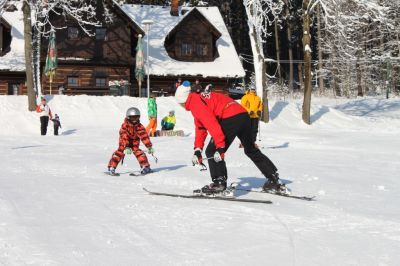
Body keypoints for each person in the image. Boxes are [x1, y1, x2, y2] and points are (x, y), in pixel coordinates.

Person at [175, 82, 284, 195]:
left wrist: (220, 147)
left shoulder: (195, 103)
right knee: (250, 149)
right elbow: (201, 127)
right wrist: (198, 149)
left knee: (212, 151)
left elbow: (212, 124)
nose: (180, 106)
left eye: (180, 103)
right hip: (243, 115)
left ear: (183, 100)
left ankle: (219, 183)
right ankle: (273, 178)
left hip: (230, 117)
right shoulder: (198, 98)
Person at [107, 107, 154, 176]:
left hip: (134, 144)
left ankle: (146, 167)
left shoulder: (139, 126)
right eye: (132, 118)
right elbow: (123, 135)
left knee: (140, 153)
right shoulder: (125, 126)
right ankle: (112, 167)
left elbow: (144, 136)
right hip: (124, 143)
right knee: (119, 152)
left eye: (136, 117)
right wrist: (126, 146)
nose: (135, 120)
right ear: (128, 117)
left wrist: (149, 146)